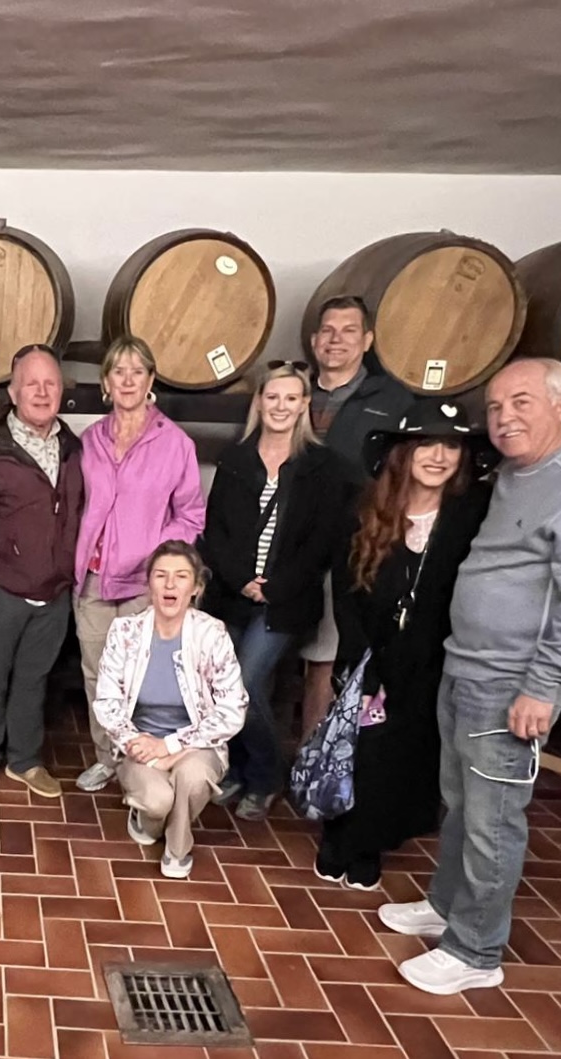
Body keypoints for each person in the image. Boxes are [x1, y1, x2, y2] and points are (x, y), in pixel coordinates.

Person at [379, 359, 561, 995]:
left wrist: (543, 688)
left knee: (494, 817)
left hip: (512, 686)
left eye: (521, 403)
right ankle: (448, 908)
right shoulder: (516, 477)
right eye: (495, 409)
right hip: (466, 666)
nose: (504, 419)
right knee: (462, 802)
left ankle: (475, 950)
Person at [320, 399, 494, 890]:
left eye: (451, 445)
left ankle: (369, 845)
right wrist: (358, 656)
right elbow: (346, 588)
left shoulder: (470, 515)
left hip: (432, 658)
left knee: (406, 755)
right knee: (356, 751)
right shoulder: (365, 508)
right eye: (426, 443)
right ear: (402, 452)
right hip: (369, 654)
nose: (438, 455)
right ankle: (338, 836)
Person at [199, 363, 342, 820]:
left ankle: (265, 775)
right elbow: (214, 529)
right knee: (227, 686)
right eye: (272, 397)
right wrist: (241, 577)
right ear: (259, 402)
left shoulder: (322, 466)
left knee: (243, 682)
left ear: (304, 405)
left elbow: (324, 540)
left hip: (285, 600)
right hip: (231, 593)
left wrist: (275, 586)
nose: (280, 406)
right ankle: (239, 769)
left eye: (290, 398)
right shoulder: (236, 459)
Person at [73, 336, 206, 793]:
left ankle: (140, 768)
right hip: (91, 579)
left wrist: (156, 556)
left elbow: (191, 515)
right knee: (98, 677)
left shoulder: (174, 443)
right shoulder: (91, 439)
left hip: (141, 585)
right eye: (118, 371)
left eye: (137, 371)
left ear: (151, 380)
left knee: (139, 681)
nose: (127, 380)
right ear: (105, 382)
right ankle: (106, 759)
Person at [0, 344, 84, 799]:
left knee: (35, 677)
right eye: (31, 383)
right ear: (13, 391)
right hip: (2, 586)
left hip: (53, 589)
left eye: (50, 383)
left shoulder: (72, 446)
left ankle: (25, 760)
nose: (41, 391)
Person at [93, 541, 247, 878]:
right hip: (139, 742)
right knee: (158, 800)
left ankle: (178, 849)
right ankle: (148, 820)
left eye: (181, 576)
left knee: (192, 777)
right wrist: (143, 746)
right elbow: (107, 702)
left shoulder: (212, 634)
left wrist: (172, 747)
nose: (170, 584)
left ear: (196, 588)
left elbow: (233, 708)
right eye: (161, 575)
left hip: (195, 744)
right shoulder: (126, 631)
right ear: (149, 584)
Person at [298, 297, 412, 739]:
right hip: (288, 543)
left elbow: (402, 477)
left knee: (323, 661)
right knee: (269, 658)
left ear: (367, 340)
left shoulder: (390, 400)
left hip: (350, 546)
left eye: (348, 331)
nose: (336, 340)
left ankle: (309, 758)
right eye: (328, 330)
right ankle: (254, 764)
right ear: (314, 340)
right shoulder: (295, 390)